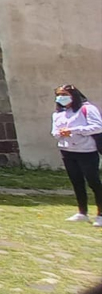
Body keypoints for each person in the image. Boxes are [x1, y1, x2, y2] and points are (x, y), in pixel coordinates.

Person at [52, 84, 102, 226]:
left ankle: (101, 213)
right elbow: (54, 131)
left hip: (86, 151)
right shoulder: (58, 113)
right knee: (77, 182)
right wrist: (60, 133)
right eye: (59, 95)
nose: (62, 98)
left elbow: (97, 126)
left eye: (65, 95)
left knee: (93, 181)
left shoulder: (87, 109)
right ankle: (82, 212)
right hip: (67, 150)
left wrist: (74, 130)